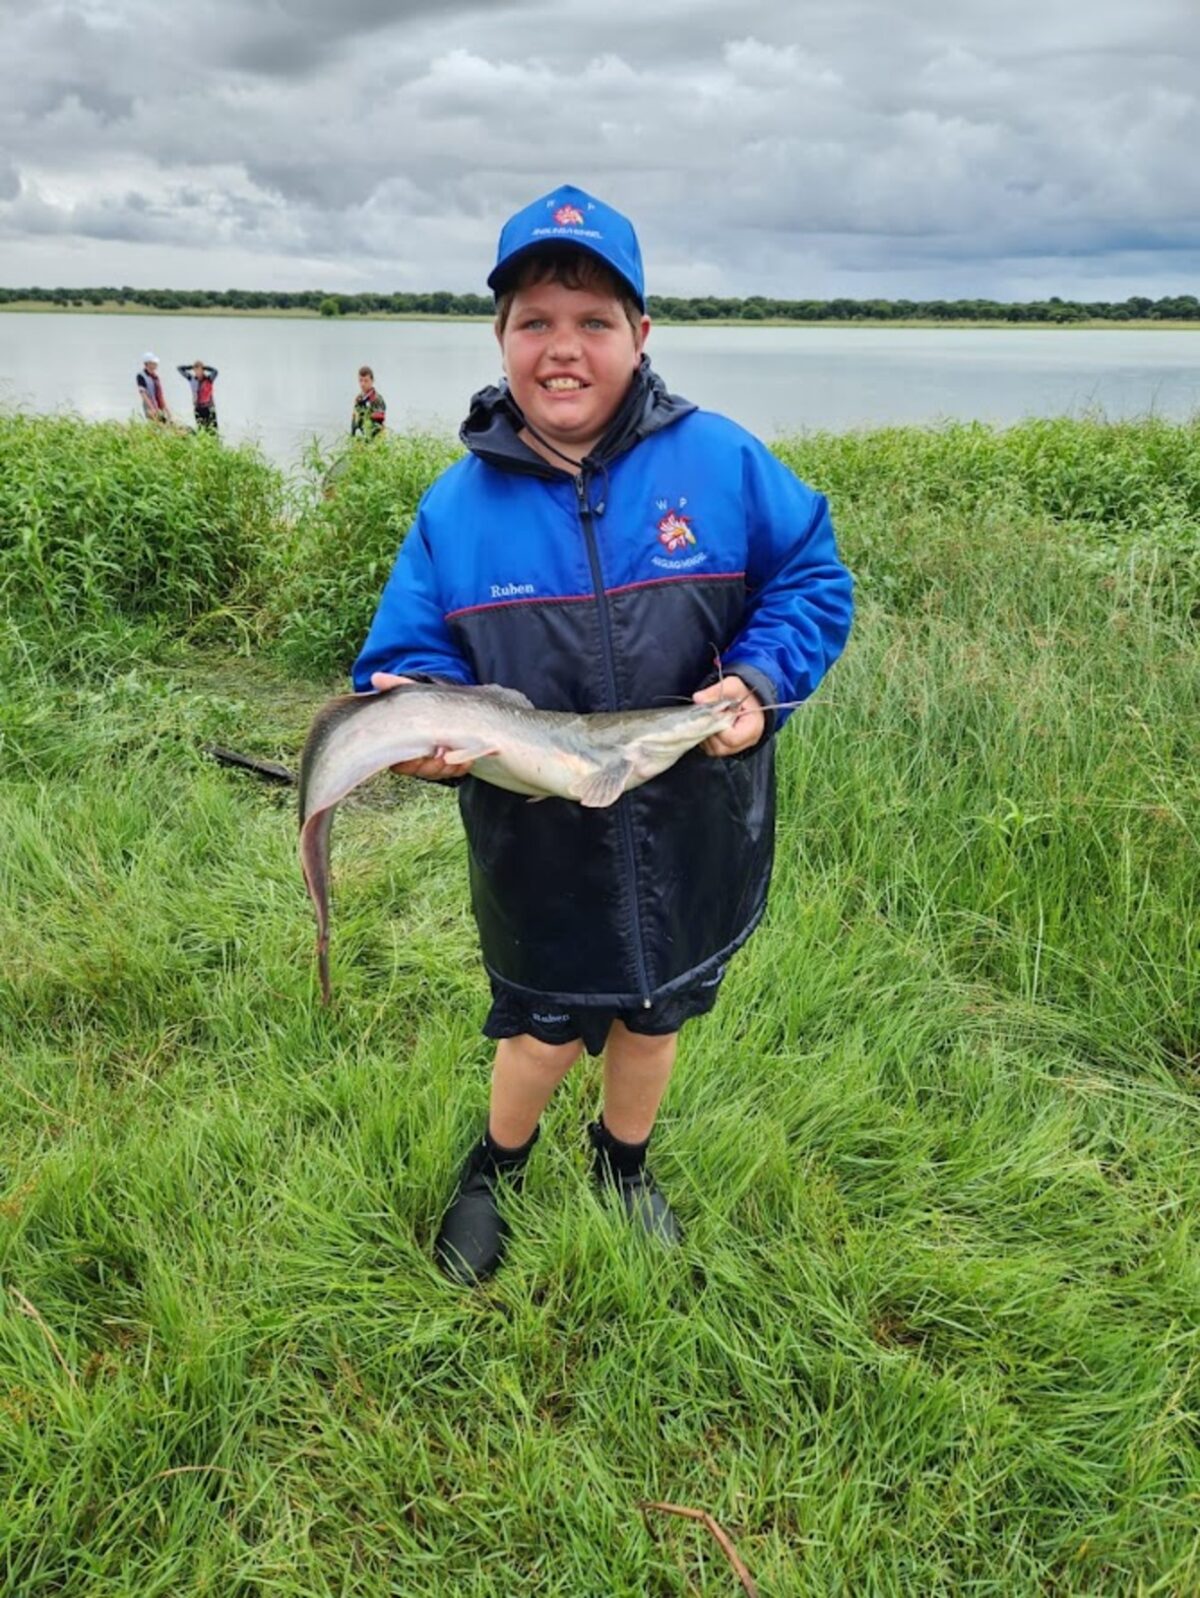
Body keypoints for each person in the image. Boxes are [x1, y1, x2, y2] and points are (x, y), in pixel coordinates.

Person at [352, 183, 854, 1286]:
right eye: (535, 321)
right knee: (536, 1026)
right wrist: (428, 718)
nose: (562, 348)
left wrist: (763, 681)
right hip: (535, 841)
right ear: (501, 338)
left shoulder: (720, 464)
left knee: (657, 1012)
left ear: (641, 333)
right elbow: (406, 654)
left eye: (593, 321)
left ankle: (623, 1160)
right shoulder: (455, 509)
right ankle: (498, 1162)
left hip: (694, 821)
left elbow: (814, 575)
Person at [178, 359, 219, 432]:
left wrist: (205, 367)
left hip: (209, 408)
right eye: (195, 370)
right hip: (198, 408)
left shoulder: (209, 379)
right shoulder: (191, 379)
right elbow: (179, 368)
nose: (197, 372)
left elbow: (215, 371)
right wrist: (190, 367)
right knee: (201, 429)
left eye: (199, 370)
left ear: (203, 370)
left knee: (213, 429)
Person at [136, 352, 171, 425]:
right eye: (154, 363)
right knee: (156, 426)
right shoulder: (141, 376)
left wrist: (166, 409)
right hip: (150, 408)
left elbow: (160, 395)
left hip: (159, 407)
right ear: (148, 364)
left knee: (166, 425)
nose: (156, 365)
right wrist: (152, 408)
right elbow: (143, 394)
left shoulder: (155, 377)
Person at [351, 366, 386, 438]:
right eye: (360, 380)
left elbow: (378, 423)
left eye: (366, 381)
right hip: (360, 439)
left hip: (374, 441)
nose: (362, 384)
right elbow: (354, 419)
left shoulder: (377, 399)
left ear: (372, 381)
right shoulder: (358, 398)